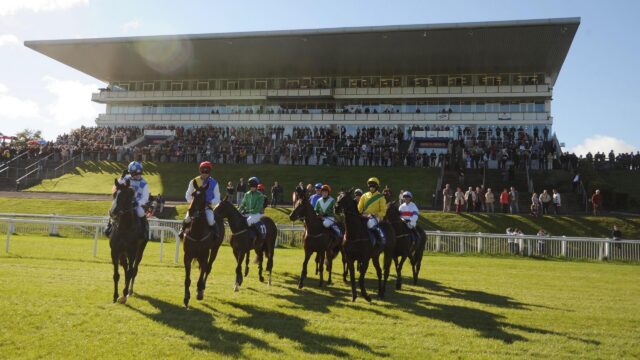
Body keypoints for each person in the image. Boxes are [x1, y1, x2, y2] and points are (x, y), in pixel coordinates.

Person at [104, 161, 151, 240]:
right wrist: (122, 177)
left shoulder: (144, 183)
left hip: (136, 204)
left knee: (140, 212)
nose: (138, 175)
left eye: (139, 173)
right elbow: (117, 186)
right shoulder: (126, 178)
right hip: (124, 203)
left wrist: (137, 203)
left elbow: (145, 197)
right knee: (114, 209)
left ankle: (144, 230)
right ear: (131, 173)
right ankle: (109, 227)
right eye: (135, 173)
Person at [179, 161, 221, 238]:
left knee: (211, 220)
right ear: (200, 171)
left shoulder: (214, 183)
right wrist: (193, 202)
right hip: (194, 208)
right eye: (202, 171)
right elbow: (188, 194)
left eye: (207, 171)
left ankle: (216, 234)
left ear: (209, 172)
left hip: (207, 207)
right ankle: (182, 230)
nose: (204, 173)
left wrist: (211, 202)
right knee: (187, 219)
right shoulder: (193, 181)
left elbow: (218, 197)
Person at [357, 177, 387, 245]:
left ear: (376, 187)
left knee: (369, 224)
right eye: (370, 186)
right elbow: (359, 208)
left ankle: (380, 238)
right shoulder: (364, 196)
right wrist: (361, 213)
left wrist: (375, 214)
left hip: (376, 217)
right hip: (365, 216)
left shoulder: (381, 197)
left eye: (373, 186)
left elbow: (383, 212)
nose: (371, 187)